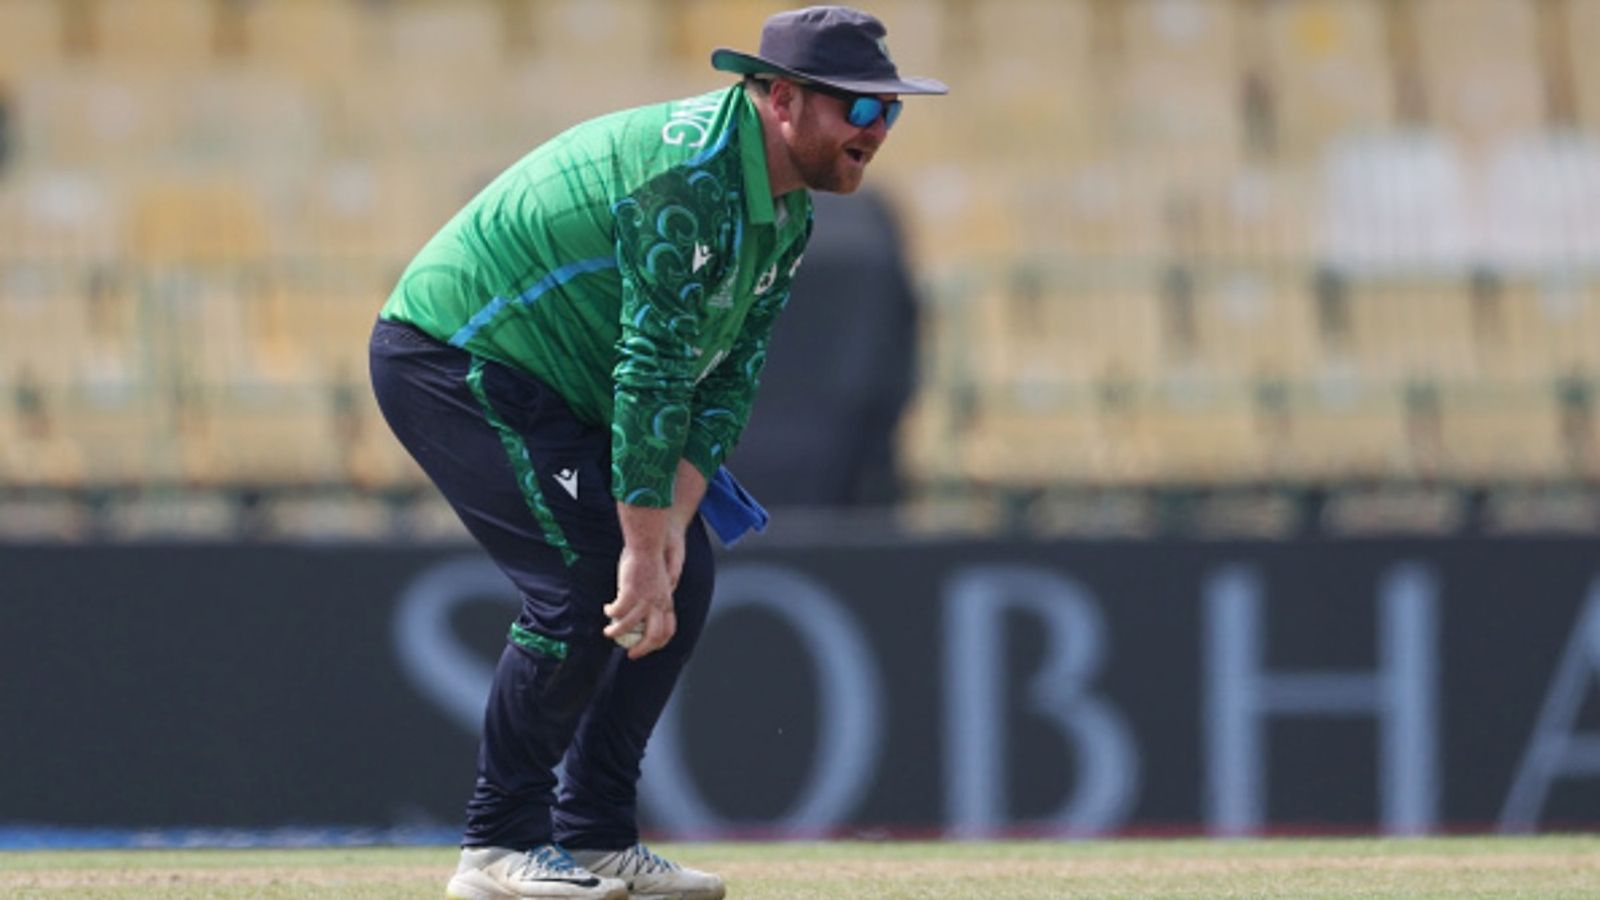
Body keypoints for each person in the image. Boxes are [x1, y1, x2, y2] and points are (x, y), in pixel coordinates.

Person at [368, 6, 945, 899]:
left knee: (687, 572)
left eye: (889, 110)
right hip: (456, 354)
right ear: (782, 99)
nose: (876, 130)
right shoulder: (689, 181)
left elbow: (728, 376)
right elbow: (653, 369)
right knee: (584, 581)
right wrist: (641, 542)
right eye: (859, 108)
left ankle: (596, 835)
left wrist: (670, 525)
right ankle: (496, 846)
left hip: (560, 380)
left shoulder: (786, 212)